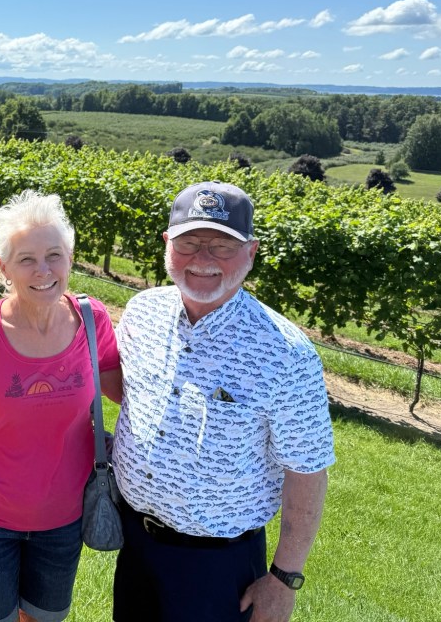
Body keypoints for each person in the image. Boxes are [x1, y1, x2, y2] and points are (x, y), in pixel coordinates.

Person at [110, 181, 335, 622]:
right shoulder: (142, 313)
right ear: (167, 246)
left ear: (250, 253)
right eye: (190, 243)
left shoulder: (287, 353)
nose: (203, 260)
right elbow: (129, 393)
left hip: (218, 567)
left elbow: (307, 471)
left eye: (221, 246)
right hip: (135, 546)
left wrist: (285, 579)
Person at [0, 189, 123, 622]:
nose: (43, 271)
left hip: (63, 521)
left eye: (54, 255)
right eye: (26, 259)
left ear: (71, 258)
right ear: (4, 268)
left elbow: (125, 392)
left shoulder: (93, 324)